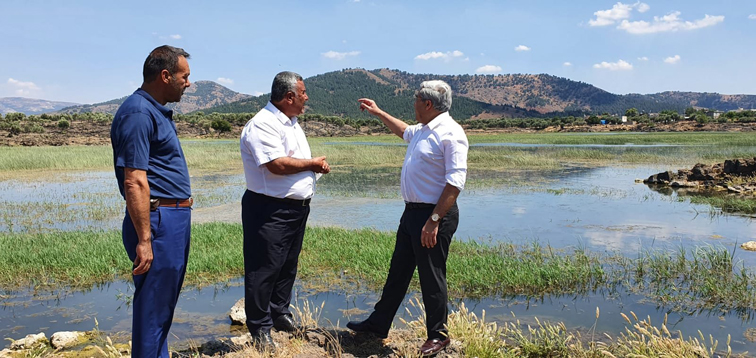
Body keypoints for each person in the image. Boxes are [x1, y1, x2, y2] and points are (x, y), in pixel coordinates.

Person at [348, 80, 469, 356]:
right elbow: (403, 130)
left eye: (416, 99)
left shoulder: (451, 133)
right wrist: (379, 113)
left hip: (434, 215)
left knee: (431, 276)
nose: (412, 104)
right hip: (412, 214)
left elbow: (455, 183)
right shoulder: (424, 130)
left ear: (428, 104)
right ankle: (378, 324)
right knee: (398, 272)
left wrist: (434, 220)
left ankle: (438, 335)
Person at [110, 45, 193, 358]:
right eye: (184, 76)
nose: (188, 83)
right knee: (152, 311)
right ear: (165, 75)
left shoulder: (153, 110)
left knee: (161, 309)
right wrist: (145, 239)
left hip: (170, 219)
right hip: (158, 222)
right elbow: (134, 179)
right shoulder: (138, 113)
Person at [240, 71, 330, 349]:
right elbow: (276, 165)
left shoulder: (291, 123)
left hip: (295, 209)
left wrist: (313, 167)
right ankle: (259, 328)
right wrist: (312, 164)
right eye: (303, 93)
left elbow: (291, 161)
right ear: (289, 96)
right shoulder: (263, 124)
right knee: (264, 267)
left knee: (287, 265)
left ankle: (279, 313)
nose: (306, 98)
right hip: (269, 209)